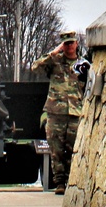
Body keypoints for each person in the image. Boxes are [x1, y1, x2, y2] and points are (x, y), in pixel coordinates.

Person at [31, 31, 84, 194]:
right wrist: (54, 52)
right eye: (65, 44)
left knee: (74, 148)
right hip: (56, 112)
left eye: (71, 43)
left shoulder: (83, 64)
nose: (69, 46)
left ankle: (72, 181)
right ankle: (60, 182)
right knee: (56, 149)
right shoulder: (55, 62)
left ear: (76, 43)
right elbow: (35, 67)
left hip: (76, 112)